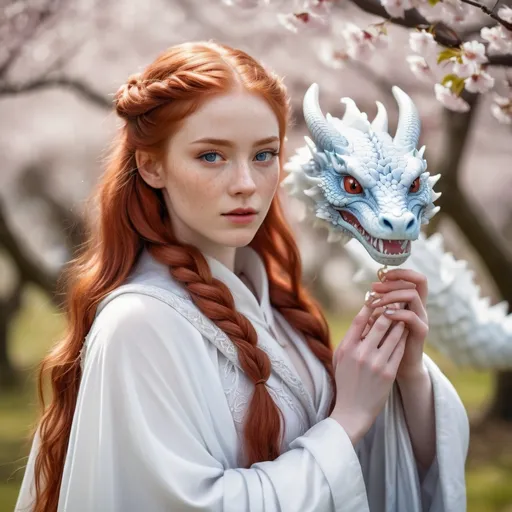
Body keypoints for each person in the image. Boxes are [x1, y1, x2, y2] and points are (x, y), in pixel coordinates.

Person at [15, 41, 469, 512]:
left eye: (263, 155)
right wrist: (349, 417)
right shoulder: (139, 324)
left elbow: (361, 473)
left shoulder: (277, 310)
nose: (246, 184)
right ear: (152, 166)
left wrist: (402, 377)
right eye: (211, 156)